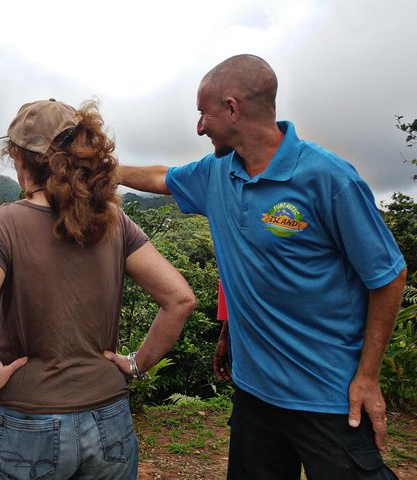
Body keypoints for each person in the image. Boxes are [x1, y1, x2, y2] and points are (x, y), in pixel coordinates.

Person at [119, 54, 406, 479]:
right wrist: (105, 170)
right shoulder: (218, 172)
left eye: (204, 114)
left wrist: (367, 377)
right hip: (255, 397)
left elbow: (388, 276)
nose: (199, 127)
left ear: (232, 108)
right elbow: (164, 177)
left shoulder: (328, 178)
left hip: (328, 395)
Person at [0, 98, 196, 480]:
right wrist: (136, 364)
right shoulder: (114, 222)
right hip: (109, 417)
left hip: (24, 421)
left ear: (18, 157)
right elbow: (179, 299)